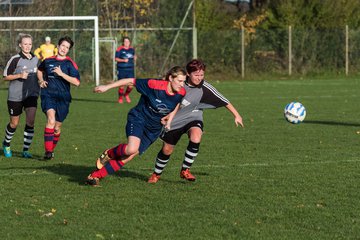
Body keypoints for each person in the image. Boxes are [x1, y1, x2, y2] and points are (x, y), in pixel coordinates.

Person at [85, 66, 186, 186]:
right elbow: (130, 81)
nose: (182, 84)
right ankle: (109, 153)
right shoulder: (154, 85)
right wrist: (107, 87)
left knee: (129, 156)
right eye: (180, 81)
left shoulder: (181, 92)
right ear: (170, 78)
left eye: (184, 81)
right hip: (139, 118)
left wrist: (170, 118)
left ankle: (94, 176)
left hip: (154, 129)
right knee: (131, 149)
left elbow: (177, 103)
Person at [147, 59, 244, 183]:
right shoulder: (178, 83)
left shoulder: (204, 87)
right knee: (167, 149)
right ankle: (156, 174)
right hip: (174, 120)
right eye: (196, 75)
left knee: (196, 136)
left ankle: (185, 170)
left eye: (202, 75)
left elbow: (223, 99)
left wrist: (237, 115)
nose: (199, 78)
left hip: (193, 116)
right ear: (188, 73)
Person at [37, 36, 80, 160]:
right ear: (58, 46)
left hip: (63, 98)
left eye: (67, 47)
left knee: (57, 127)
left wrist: (62, 74)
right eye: (63, 46)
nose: (64, 49)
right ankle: (48, 152)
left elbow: (77, 82)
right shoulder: (48, 60)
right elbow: (39, 70)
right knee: (51, 120)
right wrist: (40, 80)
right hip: (48, 95)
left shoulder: (70, 64)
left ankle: (51, 149)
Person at [2, 33, 40, 158]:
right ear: (20, 45)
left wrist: (42, 80)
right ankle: (6, 144)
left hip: (31, 95)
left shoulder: (36, 59)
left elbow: (40, 73)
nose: (27, 46)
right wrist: (19, 76)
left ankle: (25, 150)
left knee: (31, 121)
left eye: (29, 44)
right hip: (15, 96)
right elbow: (6, 76)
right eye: (25, 44)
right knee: (14, 123)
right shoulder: (15, 59)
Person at [115, 36, 136, 103]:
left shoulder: (132, 49)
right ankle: (120, 97)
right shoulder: (119, 49)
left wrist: (135, 58)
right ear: (123, 42)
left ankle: (126, 94)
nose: (126, 43)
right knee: (122, 85)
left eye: (127, 41)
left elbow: (133, 56)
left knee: (131, 85)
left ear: (129, 42)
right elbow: (116, 59)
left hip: (130, 69)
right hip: (122, 69)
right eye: (125, 41)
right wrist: (123, 60)